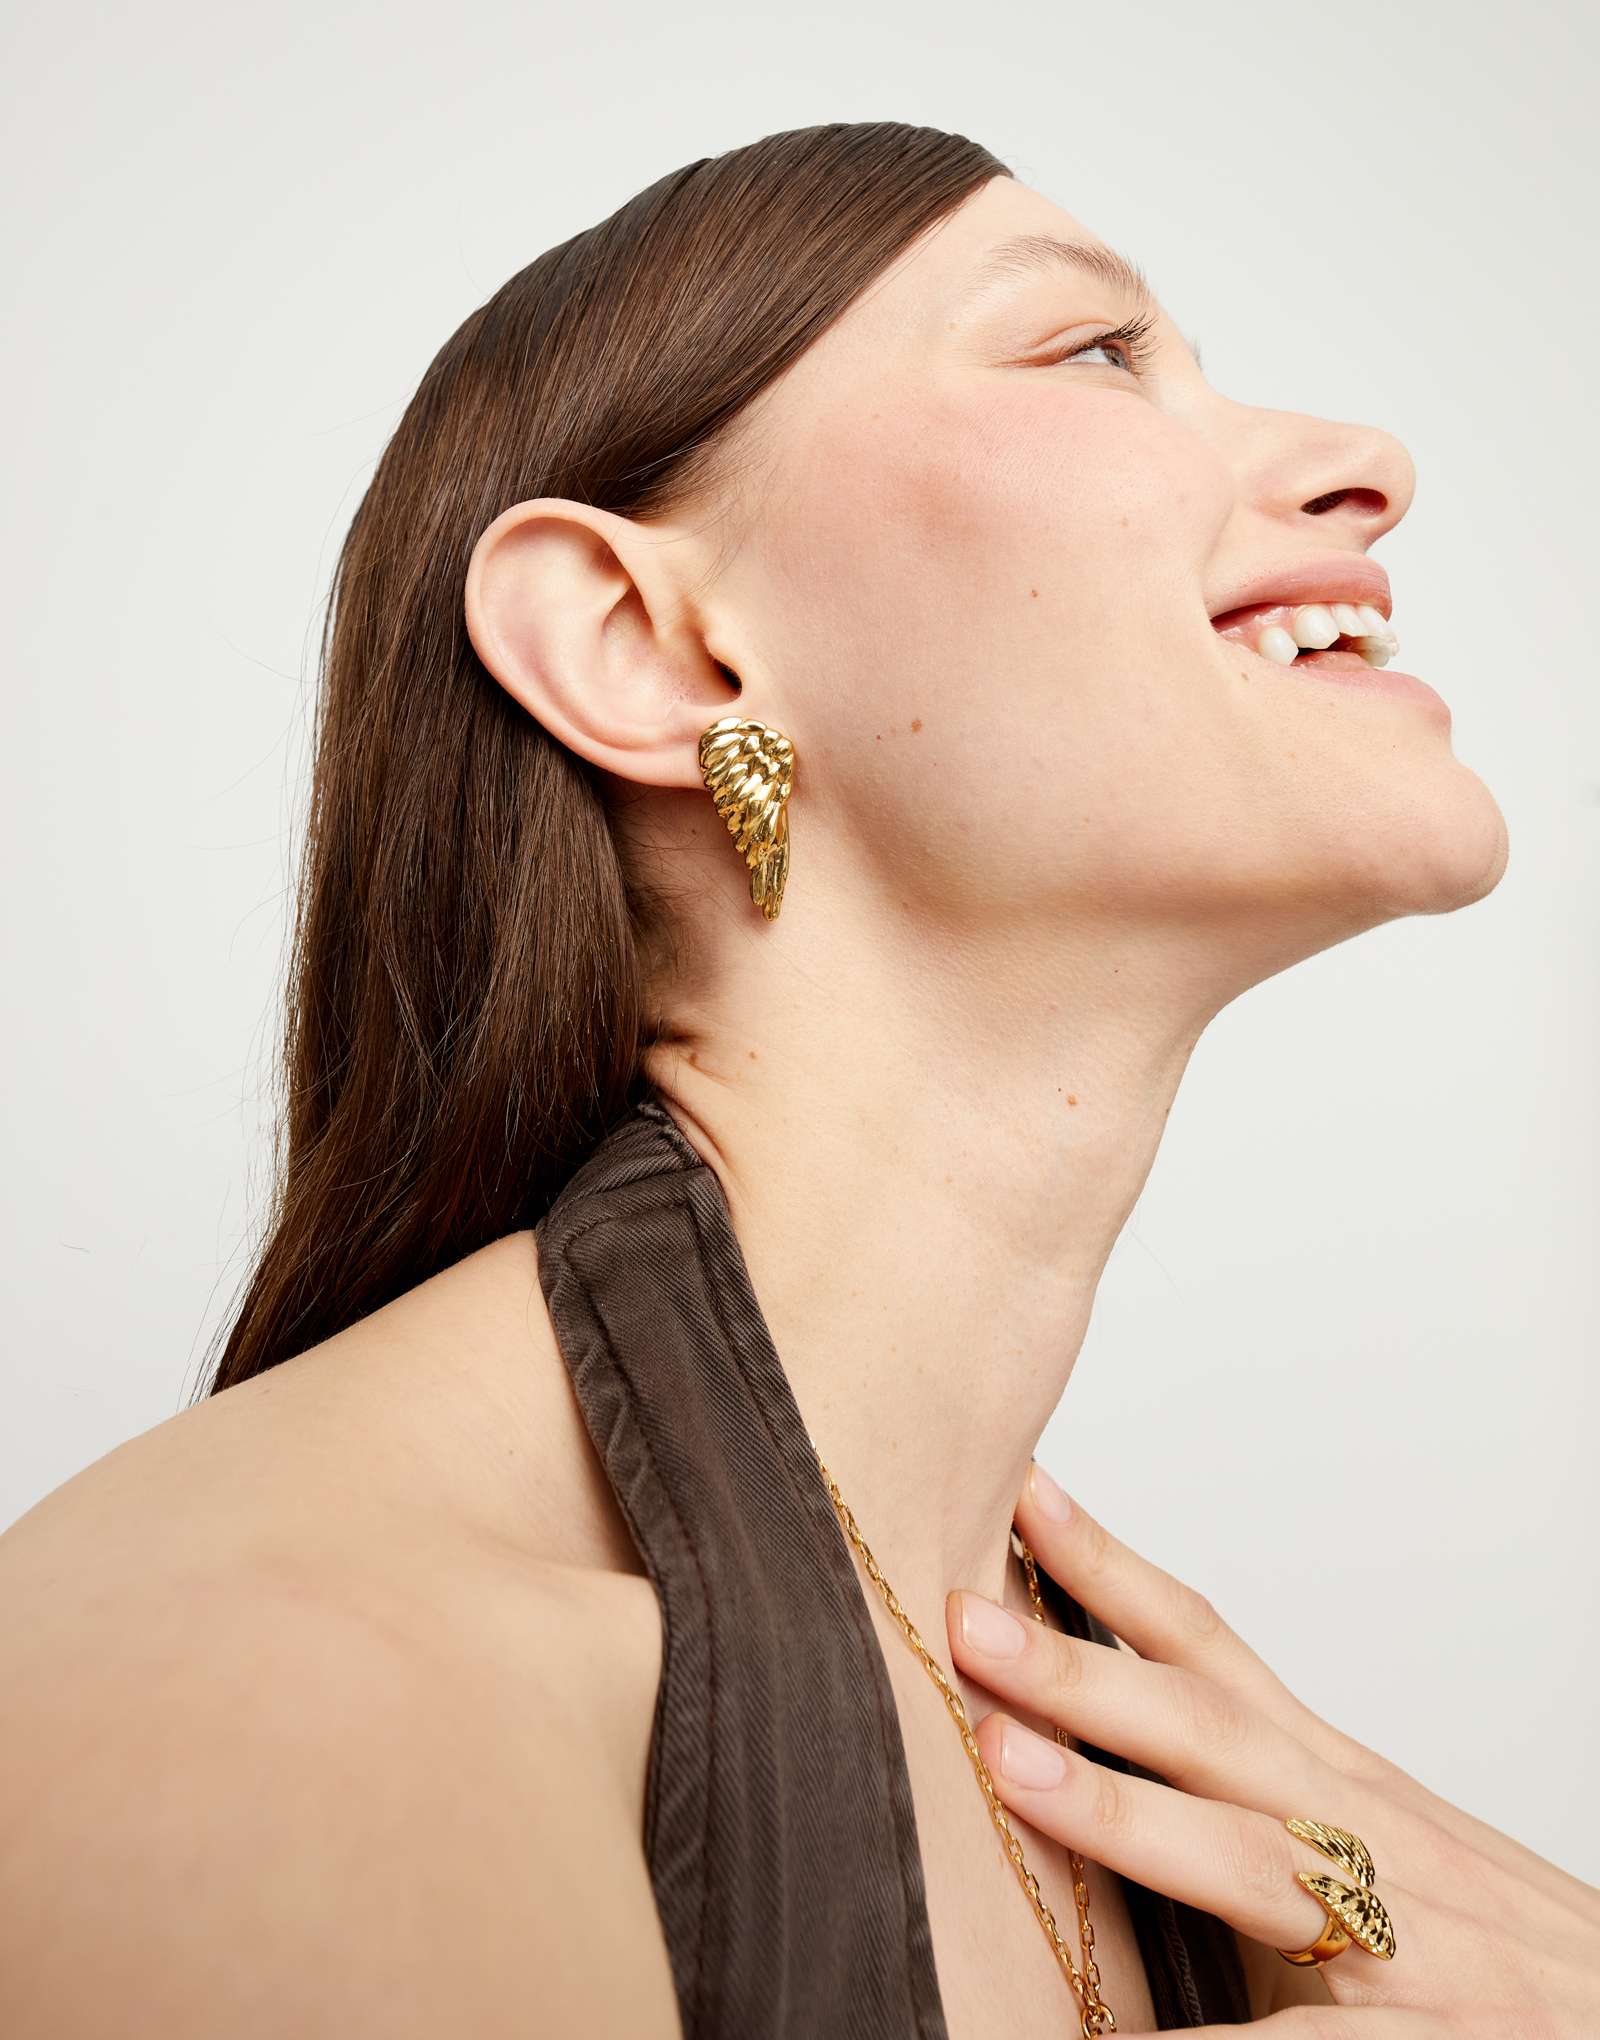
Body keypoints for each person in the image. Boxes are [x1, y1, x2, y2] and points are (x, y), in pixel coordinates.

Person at [0, 121, 1591, 2038]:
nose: (1369, 465)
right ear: (650, 650)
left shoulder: (1139, 1766)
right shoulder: (284, 1688)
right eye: (1093, 351)